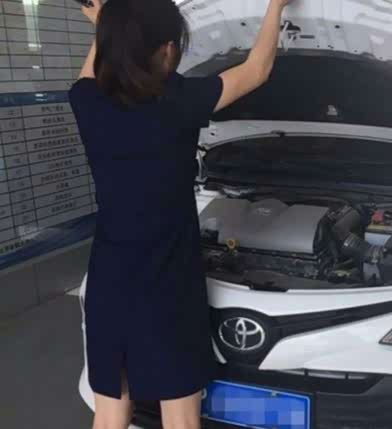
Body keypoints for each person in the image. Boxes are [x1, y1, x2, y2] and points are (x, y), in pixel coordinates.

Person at [68, 0, 292, 428]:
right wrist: (276, 6)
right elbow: (256, 70)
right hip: (168, 283)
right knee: (180, 417)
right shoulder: (178, 99)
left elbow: (90, 74)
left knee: (110, 412)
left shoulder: (87, 101)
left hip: (110, 280)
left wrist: (106, 24)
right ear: (168, 49)